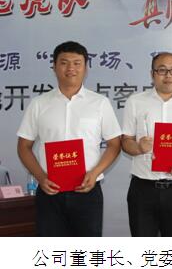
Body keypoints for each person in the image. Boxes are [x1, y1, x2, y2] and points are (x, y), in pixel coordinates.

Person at [17, 41, 121, 236]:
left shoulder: (100, 103)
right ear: (54, 67)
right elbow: (24, 146)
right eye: (64, 62)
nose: (70, 68)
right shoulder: (39, 104)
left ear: (86, 68)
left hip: (87, 191)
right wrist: (41, 177)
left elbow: (115, 144)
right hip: (50, 192)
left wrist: (95, 172)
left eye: (77, 63)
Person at [121, 52, 172, 236]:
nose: (168, 75)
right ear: (152, 74)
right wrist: (138, 147)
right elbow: (125, 141)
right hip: (143, 189)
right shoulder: (135, 102)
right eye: (162, 70)